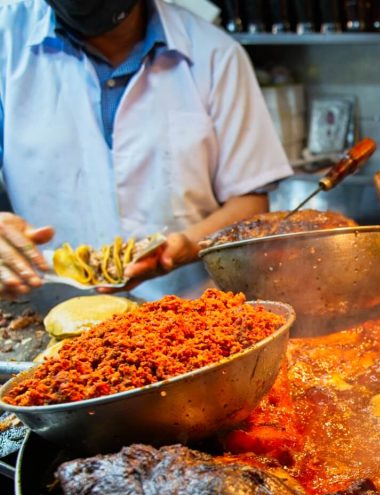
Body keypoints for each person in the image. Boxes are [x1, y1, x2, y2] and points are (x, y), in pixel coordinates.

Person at [0, 0, 293, 298]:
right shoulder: (6, 38)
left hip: (181, 314)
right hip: (44, 315)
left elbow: (249, 202)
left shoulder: (216, 54)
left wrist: (184, 246)